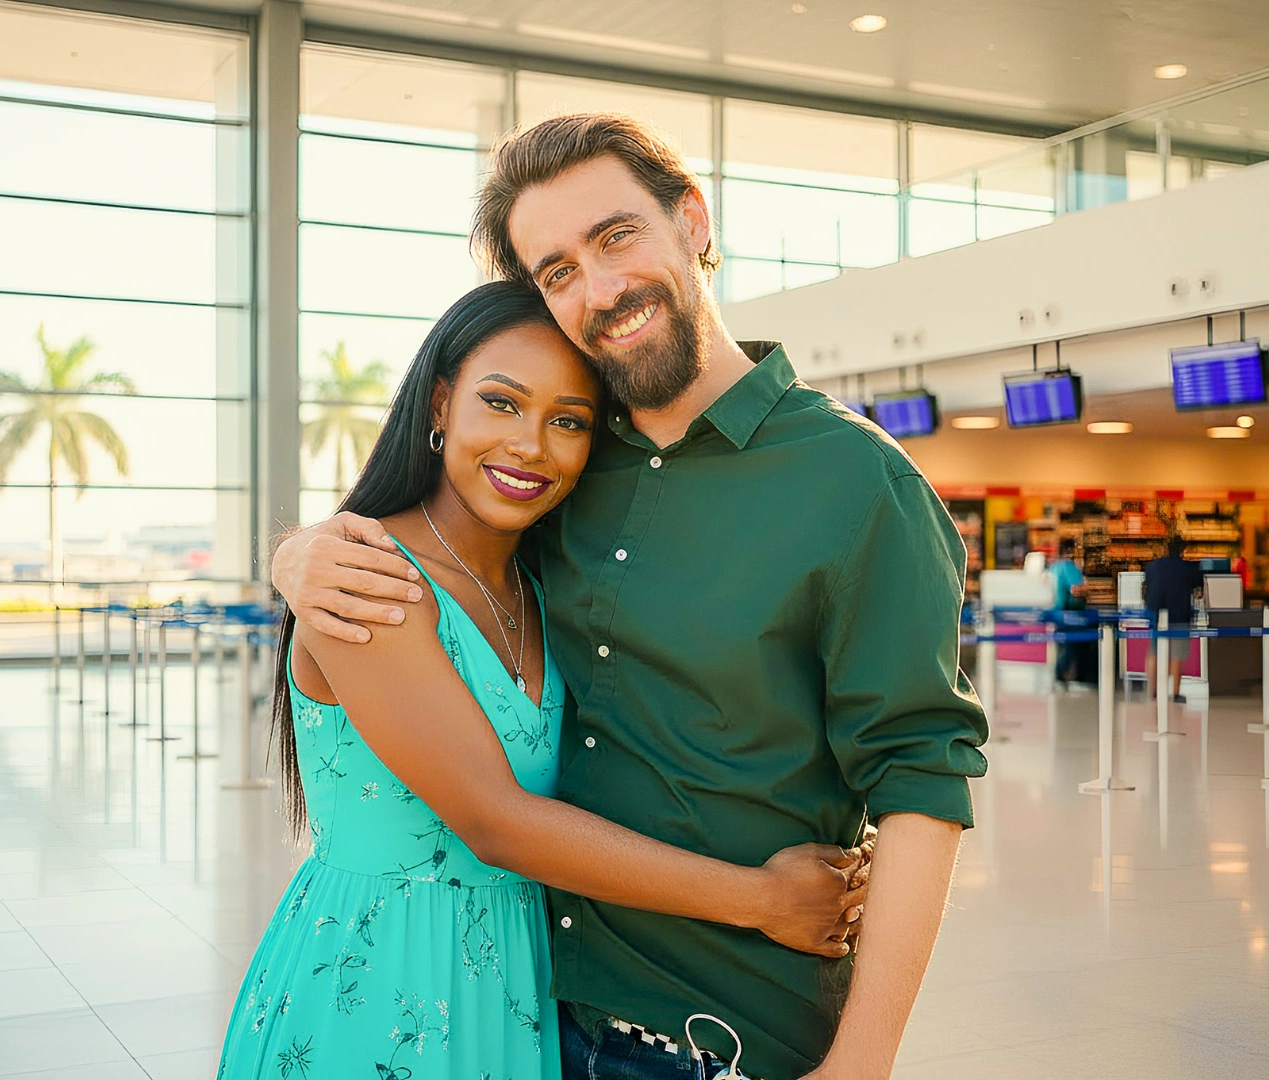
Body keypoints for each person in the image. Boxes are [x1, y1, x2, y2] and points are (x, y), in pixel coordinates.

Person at [273, 114, 988, 1080]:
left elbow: (920, 782)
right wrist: (298, 554)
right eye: (557, 271)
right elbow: (437, 541)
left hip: (723, 1038)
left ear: (691, 220)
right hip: (528, 1012)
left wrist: (863, 1060)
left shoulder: (859, 484)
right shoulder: (566, 461)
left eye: (615, 237)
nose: (598, 288)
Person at [215, 282, 869, 1080]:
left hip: (520, 986)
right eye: (501, 403)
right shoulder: (367, 578)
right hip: (382, 983)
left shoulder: (544, 581)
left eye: (568, 421)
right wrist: (765, 900)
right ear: (439, 403)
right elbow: (496, 821)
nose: (530, 445)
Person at [1141, 535, 1204, 704]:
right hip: (1179, 614)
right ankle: (1175, 694)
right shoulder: (1189, 568)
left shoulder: (1153, 566)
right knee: (1177, 655)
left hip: (1156, 614)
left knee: (1154, 652)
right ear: (1183, 550)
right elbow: (1199, 590)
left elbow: (1146, 587)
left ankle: (1152, 692)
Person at [1049, 537, 1088, 691]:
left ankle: (1059, 676)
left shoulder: (1053, 567)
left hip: (1056, 611)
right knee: (1075, 645)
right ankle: (1073, 678)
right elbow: (1075, 589)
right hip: (1071, 611)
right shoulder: (1069, 567)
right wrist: (1089, 588)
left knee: (1063, 645)